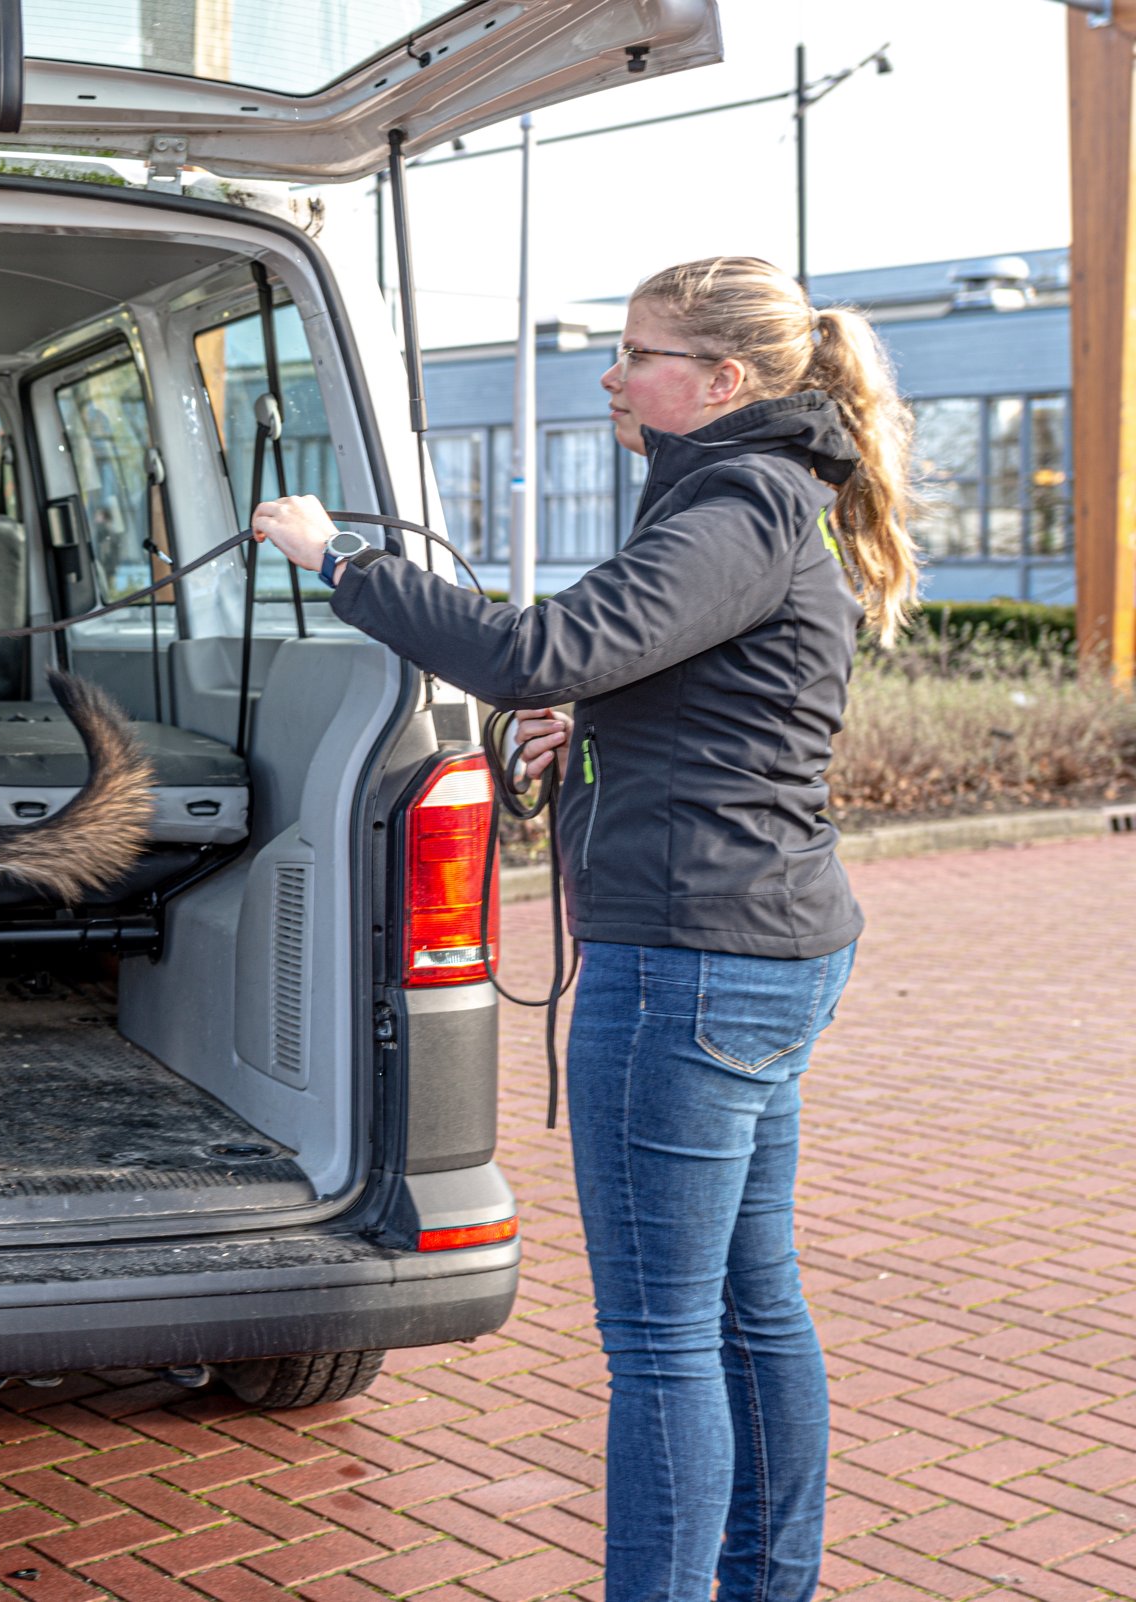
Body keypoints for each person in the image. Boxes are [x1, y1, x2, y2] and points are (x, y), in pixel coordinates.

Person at [254, 255, 918, 1602]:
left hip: (694, 961)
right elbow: (703, 696)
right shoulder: (761, 497)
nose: (611, 375)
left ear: (720, 382)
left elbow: (530, 648)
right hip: (757, 946)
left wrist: (343, 558)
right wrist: (595, 724)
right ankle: (764, 1583)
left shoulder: (732, 502)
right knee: (747, 1306)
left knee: (669, 1338)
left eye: (637, 352)